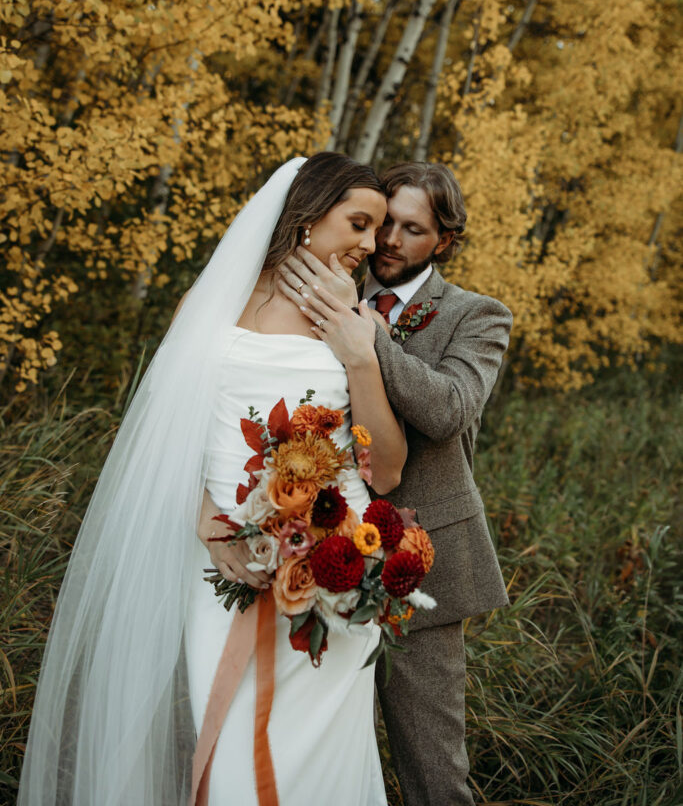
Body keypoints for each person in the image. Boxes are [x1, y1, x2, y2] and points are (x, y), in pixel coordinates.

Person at [18, 153, 407, 806]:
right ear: (306, 217)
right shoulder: (209, 305)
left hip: (337, 568)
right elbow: (174, 435)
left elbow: (387, 467)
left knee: (319, 761)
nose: (371, 245)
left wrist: (361, 356)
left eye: (379, 230)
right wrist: (210, 522)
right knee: (226, 753)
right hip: (222, 566)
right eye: (359, 223)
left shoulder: (360, 324)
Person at [277, 160, 513, 806]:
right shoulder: (327, 285)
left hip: (422, 559)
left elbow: (448, 411)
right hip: (315, 554)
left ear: (443, 241)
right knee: (318, 746)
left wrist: (370, 340)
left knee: (432, 766)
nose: (388, 242)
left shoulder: (478, 315)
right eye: (385, 224)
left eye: (412, 230)